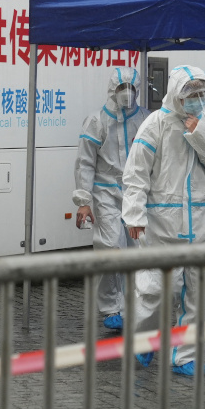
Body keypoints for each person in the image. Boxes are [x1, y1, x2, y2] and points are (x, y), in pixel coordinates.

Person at [122, 65, 205, 377]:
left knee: (203, 293)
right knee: (152, 290)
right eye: (192, 93)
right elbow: (135, 174)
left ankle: (186, 356)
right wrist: (134, 214)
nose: (198, 99)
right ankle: (143, 343)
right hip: (162, 225)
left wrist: (199, 133)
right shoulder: (154, 124)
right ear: (176, 93)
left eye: (202, 93)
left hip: (203, 224)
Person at [72, 67, 150, 330]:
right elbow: (85, 163)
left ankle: (134, 305)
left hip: (136, 193)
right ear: (111, 90)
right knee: (111, 248)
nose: (126, 93)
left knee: (138, 250)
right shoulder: (96, 121)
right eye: (121, 88)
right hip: (105, 192)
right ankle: (110, 307)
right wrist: (83, 200)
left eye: (131, 88)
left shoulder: (145, 119)